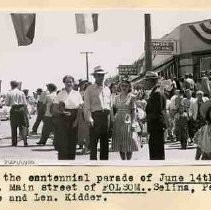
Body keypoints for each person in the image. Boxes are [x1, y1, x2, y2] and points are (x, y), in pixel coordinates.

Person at [52, 75, 83, 160]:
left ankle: (71, 163)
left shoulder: (77, 94)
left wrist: (76, 121)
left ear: (73, 83)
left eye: (70, 82)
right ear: (64, 83)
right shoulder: (60, 94)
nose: (69, 83)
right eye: (67, 82)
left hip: (74, 118)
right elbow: (54, 109)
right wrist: (62, 112)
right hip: (62, 119)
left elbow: (80, 109)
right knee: (62, 142)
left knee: (72, 142)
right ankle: (62, 163)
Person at [84, 66, 111, 160]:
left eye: (102, 75)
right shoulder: (89, 89)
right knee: (93, 143)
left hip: (106, 117)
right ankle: (93, 165)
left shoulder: (107, 89)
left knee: (105, 143)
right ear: (94, 76)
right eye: (99, 75)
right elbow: (86, 106)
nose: (101, 77)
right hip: (95, 117)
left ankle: (104, 164)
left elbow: (109, 105)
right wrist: (89, 118)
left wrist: (110, 120)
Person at [111, 80, 138, 160]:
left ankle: (128, 161)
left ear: (129, 87)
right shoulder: (116, 98)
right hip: (118, 120)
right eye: (122, 86)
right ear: (120, 87)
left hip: (128, 119)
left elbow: (133, 111)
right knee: (120, 140)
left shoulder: (132, 97)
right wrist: (113, 120)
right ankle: (123, 160)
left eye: (126, 86)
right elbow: (113, 109)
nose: (124, 87)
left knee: (129, 140)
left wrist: (133, 123)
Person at [145, 71, 167, 160]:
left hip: (156, 127)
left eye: (147, 80)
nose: (146, 83)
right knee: (157, 152)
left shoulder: (156, 93)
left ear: (151, 81)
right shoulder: (156, 92)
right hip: (156, 126)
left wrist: (145, 118)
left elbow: (157, 113)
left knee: (156, 153)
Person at [5, 80, 28, 146]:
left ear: (11, 85)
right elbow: (25, 103)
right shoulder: (22, 93)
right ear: (17, 85)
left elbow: (7, 103)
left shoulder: (9, 93)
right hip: (21, 109)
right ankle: (25, 141)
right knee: (23, 126)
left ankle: (14, 142)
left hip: (14, 109)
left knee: (13, 126)